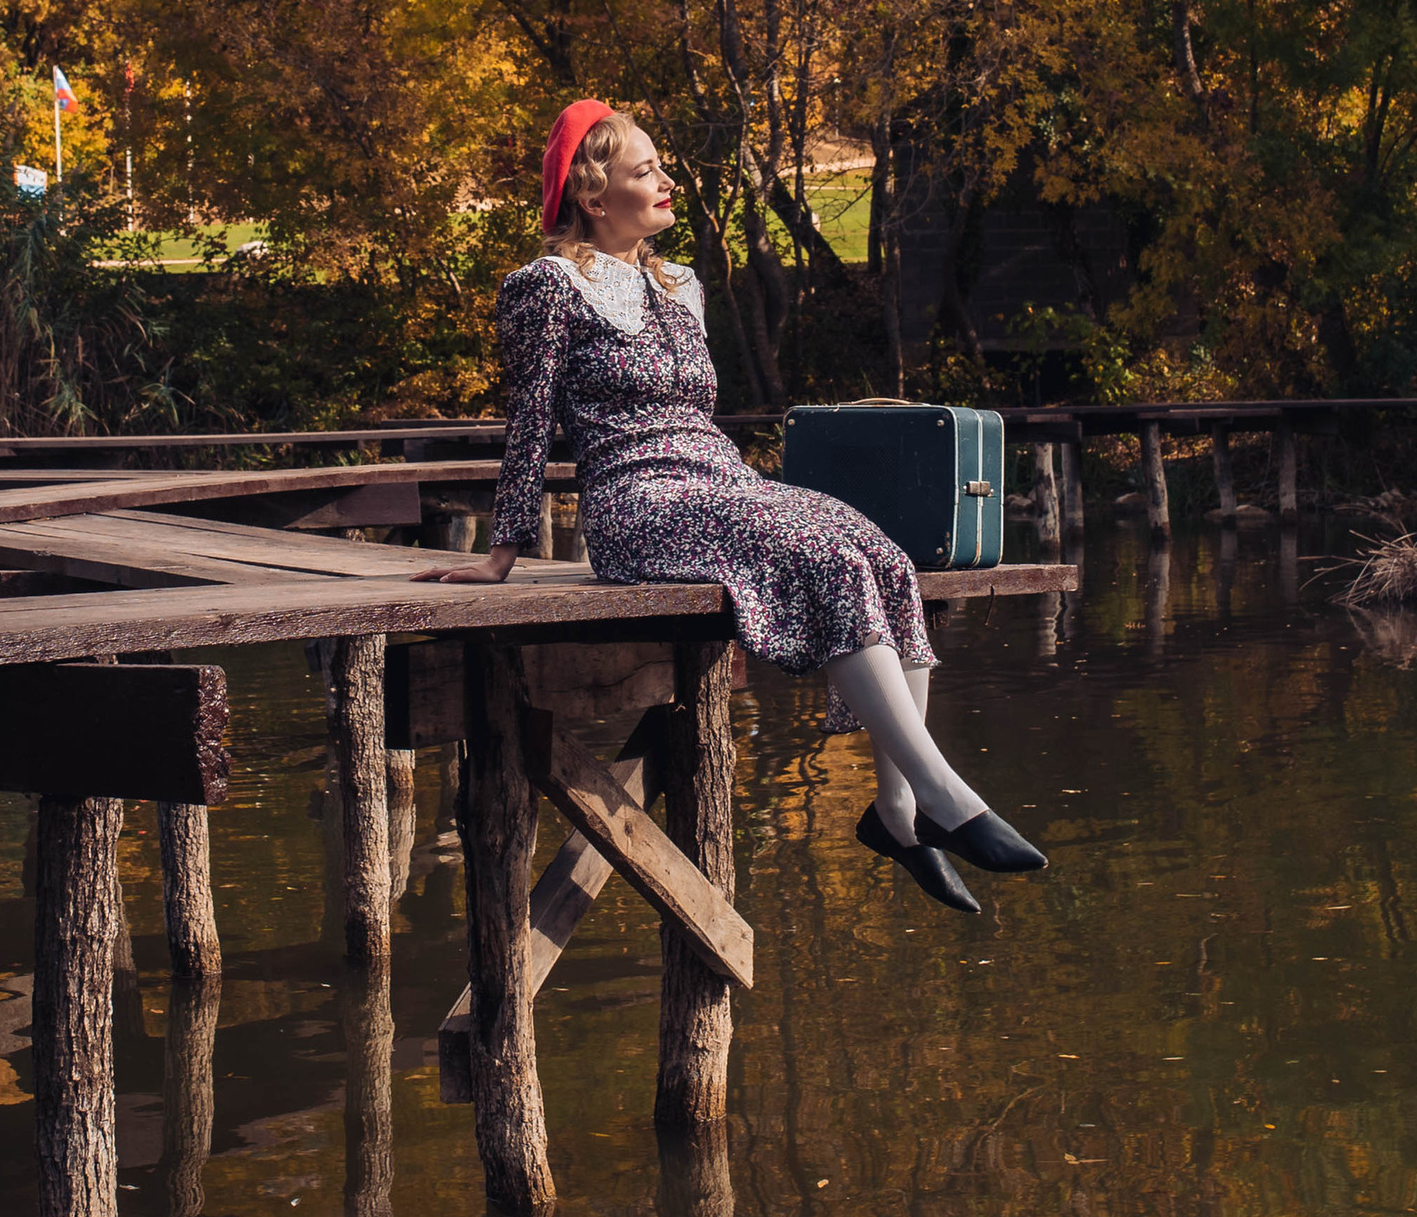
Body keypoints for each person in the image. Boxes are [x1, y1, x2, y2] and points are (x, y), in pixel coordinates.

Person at [424, 96, 1045, 912]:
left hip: (720, 483)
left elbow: (699, 415)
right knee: (822, 555)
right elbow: (530, 421)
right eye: (646, 171)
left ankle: (896, 813)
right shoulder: (543, 289)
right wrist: (504, 550)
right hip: (637, 501)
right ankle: (943, 792)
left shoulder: (680, 285)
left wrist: (743, 491)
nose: (667, 181)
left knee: (882, 551)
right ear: (591, 192)